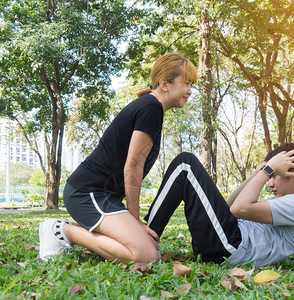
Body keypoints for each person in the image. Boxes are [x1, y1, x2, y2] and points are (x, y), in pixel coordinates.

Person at [39, 53, 197, 263]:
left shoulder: (151, 107)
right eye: (186, 83)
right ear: (164, 84)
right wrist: (135, 220)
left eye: (191, 84)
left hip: (104, 197)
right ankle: (62, 231)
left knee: (151, 250)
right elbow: (133, 166)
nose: (189, 90)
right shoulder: (151, 108)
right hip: (87, 194)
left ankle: (74, 232)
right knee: (147, 256)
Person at [144, 143, 294, 267]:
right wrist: (258, 172)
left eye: (275, 176)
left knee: (185, 164)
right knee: (185, 165)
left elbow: (240, 208)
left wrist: (267, 171)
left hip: (229, 247)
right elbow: (231, 208)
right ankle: (146, 237)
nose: (270, 183)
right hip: (227, 241)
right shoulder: (291, 201)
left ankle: (145, 239)